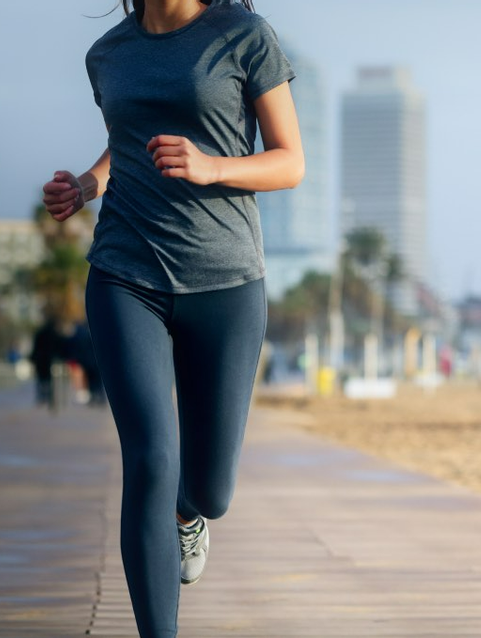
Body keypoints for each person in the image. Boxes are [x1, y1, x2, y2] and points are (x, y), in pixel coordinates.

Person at [40, 1, 302, 636]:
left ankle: (190, 515)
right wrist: (88, 185)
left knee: (211, 489)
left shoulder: (241, 34)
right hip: (125, 275)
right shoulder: (107, 54)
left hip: (227, 282)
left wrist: (213, 167)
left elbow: (290, 161)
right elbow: (125, 144)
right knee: (152, 460)